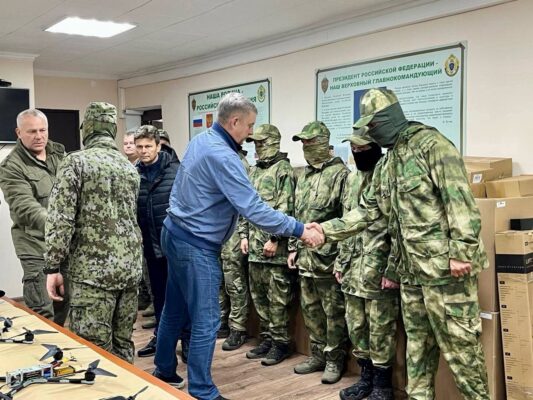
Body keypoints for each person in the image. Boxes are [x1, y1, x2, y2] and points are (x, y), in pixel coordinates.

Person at [312, 88, 490, 400]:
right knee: (417, 351)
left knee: (462, 353)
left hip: (446, 275)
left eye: (372, 126)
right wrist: (323, 231)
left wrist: (462, 251)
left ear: (386, 119)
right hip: (411, 276)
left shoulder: (432, 146)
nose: (370, 134)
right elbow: (367, 211)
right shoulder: (387, 163)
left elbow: (459, 201)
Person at [153, 92, 318, 400]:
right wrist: (299, 229)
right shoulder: (224, 157)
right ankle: (202, 391)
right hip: (195, 244)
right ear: (234, 122)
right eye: (250, 125)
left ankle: (164, 371)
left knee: (174, 308)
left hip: (174, 232)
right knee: (206, 320)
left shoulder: (201, 141)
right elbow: (253, 209)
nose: (251, 132)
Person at [44, 102, 143, 364]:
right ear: (112, 129)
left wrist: (53, 266)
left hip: (92, 275)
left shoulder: (75, 162)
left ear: (87, 128)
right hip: (129, 270)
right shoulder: (129, 167)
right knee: (123, 344)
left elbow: (60, 219)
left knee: (93, 352)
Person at [336, 131, 399, 400]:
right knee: (356, 325)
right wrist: (340, 261)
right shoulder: (352, 179)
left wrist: (393, 269)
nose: (357, 153)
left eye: (362, 148)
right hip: (352, 268)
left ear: (375, 147)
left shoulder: (389, 177)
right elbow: (346, 222)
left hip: (378, 268)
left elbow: (398, 228)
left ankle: (382, 386)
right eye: (353, 148)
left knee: (380, 328)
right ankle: (365, 379)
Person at [288, 121, 349, 385]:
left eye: (310, 142)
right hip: (305, 258)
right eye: (303, 143)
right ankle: (317, 355)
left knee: (333, 312)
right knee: (311, 309)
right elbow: (297, 215)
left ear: (324, 143)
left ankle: (335, 359)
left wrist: (342, 260)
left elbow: (347, 222)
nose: (306, 147)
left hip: (329, 258)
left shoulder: (341, 175)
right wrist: (293, 248)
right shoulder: (304, 176)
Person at [0, 109, 69, 325]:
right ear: (18, 132)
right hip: (35, 246)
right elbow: (25, 207)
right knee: (42, 310)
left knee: (62, 303)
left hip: (64, 246)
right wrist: (60, 226)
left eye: (42, 130)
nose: (39, 136)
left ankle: (57, 345)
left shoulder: (60, 154)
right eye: (32, 131)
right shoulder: (11, 166)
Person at [240, 123, 296, 365]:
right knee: (260, 298)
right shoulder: (254, 171)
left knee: (277, 301)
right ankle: (267, 338)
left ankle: (281, 343)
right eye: (256, 143)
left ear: (274, 142)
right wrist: (243, 235)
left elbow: (287, 208)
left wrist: (275, 239)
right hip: (254, 248)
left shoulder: (284, 170)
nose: (258, 147)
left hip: (275, 251)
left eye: (262, 142)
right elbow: (245, 206)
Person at [133, 125, 188, 365]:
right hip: (150, 246)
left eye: (148, 146)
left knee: (183, 296)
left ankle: (187, 340)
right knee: (159, 296)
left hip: (175, 244)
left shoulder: (176, 171)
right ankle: (162, 339)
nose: (144, 151)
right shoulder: (133, 174)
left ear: (158, 146)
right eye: (140, 146)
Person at [219, 151, 251, 351]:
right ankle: (221, 321)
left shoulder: (239, 163)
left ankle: (237, 327)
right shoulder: (216, 158)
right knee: (218, 279)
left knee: (234, 279)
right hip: (217, 227)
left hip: (234, 228)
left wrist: (243, 233)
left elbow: (246, 201)